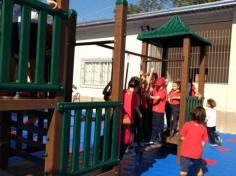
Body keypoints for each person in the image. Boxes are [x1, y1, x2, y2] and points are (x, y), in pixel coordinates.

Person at [179, 106, 208, 176]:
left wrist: (183, 139)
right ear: (203, 117)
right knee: (198, 170)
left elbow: (182, 136)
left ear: (192, 115)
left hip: (185, 152)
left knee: (183, 171)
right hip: (197, 153)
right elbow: (204, 142)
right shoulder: (203, 128)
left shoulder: (187, 125)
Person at [120, 77, 142, 159]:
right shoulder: (135, 95)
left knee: (121, 134)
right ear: (136, 87)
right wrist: (140, 114)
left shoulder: (123, 92)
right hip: (129, 118)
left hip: (122, 116)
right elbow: (136, 107)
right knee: (127, 138)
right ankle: (121, 154)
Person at [145, 77, 167, 150]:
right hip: (154, 110)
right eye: (157, 85)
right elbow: (151, 89)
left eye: (159, 85)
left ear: (163, 85)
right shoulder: (156, 89)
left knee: (158, 126)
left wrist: (149, 96)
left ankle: (159, 140)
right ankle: (153, 139)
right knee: (154, 125)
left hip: (159, 111)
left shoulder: (163, 91)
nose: (158, 86)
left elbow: (157, 98)